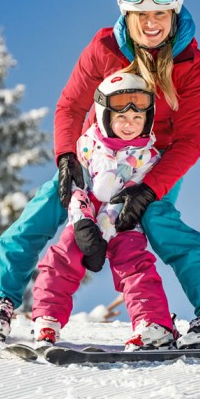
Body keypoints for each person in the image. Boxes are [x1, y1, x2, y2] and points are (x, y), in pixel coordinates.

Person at [0, 0, 200, 348]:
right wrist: (67, 160)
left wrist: (148, 189)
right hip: (96, 155)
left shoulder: (190, 66)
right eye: (141, 14)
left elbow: (192, 137)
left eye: (160, 14)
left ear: (174, 14)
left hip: (151, 163)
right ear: (127, 15)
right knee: (46, 208)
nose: (151, 23)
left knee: (161, 222)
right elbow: (69, 107)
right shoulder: (104, 49)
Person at [31, 72, 176, 351]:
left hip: (123, 220)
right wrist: (84, 222)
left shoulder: (149, 157)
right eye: (121, 117)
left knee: (135, 265)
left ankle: (152, 324)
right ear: (105, 115)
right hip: (85, 215)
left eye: (138, 118)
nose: (130, 125)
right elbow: (78, 187)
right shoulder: (86, 145)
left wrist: (108, 226)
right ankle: (47, 317)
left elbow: (133, 193)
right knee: (63, 257)